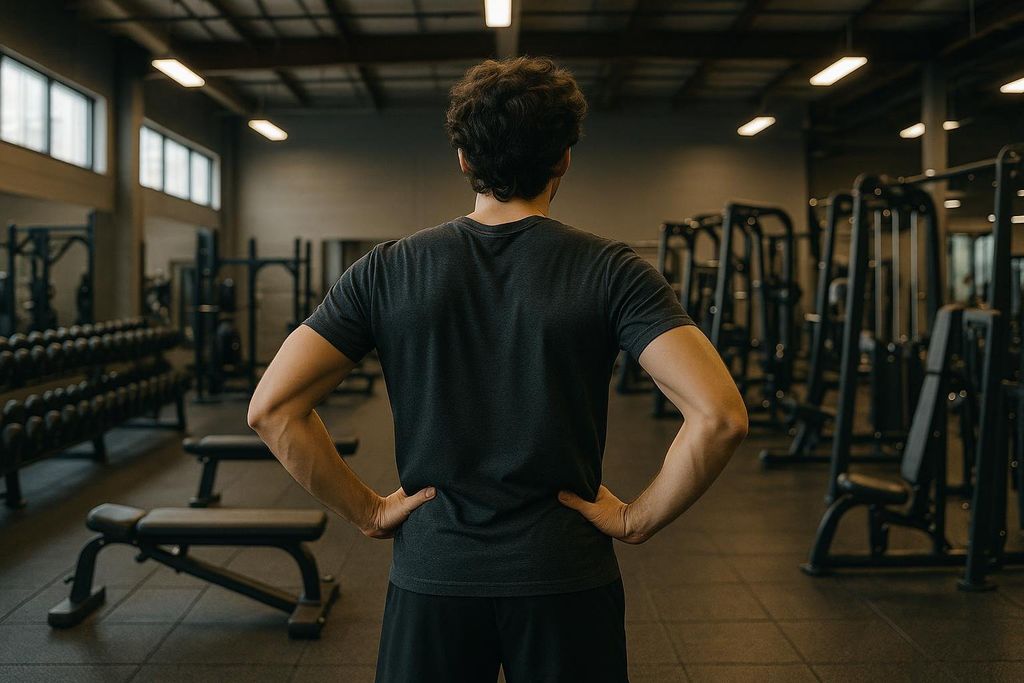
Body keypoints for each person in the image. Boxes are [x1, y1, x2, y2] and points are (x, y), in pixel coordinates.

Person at [248, 56, 748, 683]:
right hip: (565, 573)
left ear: (464, 158)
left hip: (434, 575)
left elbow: (272, 409)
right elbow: (720, 417)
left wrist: (369, 512)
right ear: (563, 158)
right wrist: (635, 519)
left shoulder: (386, 270)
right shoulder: (614, 272)